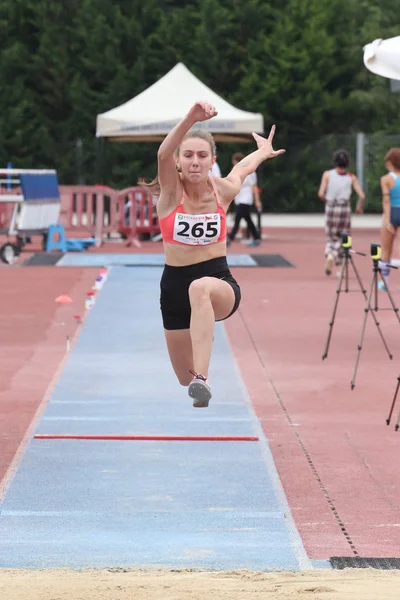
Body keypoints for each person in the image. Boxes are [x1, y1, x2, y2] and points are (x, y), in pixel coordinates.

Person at [144, 101, 285, 408]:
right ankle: (194, 380)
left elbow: (243, 169)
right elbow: (161, 154)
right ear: (179, 162)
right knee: (183, 376)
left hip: (219, 283)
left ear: (212, 161)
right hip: (173, 289)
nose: (195, 162)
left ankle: (203, 379)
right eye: (189, 155)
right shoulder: (171, 195)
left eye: (202, 156)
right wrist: (191, 119)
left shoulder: (223, 191)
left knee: (201, 287)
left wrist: (262, 152)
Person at [318, 149, 365, 277]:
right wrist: (359, 208)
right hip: (344, 209)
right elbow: (362, 195)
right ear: (347, 163)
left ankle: (330, 254)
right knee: (344, 237)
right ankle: (340, 267)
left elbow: (321, 193)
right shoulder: (351, 177)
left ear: (335, 161)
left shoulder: (327, 174)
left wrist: (327, 199)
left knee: (331, 236)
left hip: (331, 207)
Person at [227, 152, 262, 247]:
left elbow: (254, 187)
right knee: (248, 219)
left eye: (234, 162)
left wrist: (257, 200)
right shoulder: (235, 171)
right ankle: (256, 237)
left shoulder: (249, 171)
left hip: (246, 199)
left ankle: (230, 237)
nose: (233, 164)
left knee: (238, 218)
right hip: (239, 199)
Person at [378, 148, 400, 291]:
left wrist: (387, 220)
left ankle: (384, 282)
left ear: (390, 163)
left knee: (386, 249)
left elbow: (386, 200)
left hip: (392, 212)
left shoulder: (386, 179)